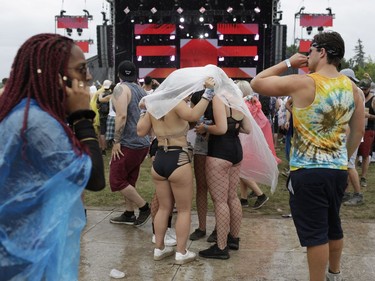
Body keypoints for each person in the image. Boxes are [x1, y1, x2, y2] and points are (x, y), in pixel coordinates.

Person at [251, 31, 364, 281]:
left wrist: (289, 63)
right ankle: (335, 274)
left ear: (322, 52)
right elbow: (359, 131)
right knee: (333, 225)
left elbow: (257, 82)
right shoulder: (354, 89)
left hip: (308, 172)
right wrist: (342, 158)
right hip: (337, 170)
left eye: (310, 51)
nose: (307, 55)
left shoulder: (305, 82)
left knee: (316, 235)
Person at [0, 33, 105, 280]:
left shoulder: (26, 113)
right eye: (81, 69)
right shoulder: (36, 123)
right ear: (54, 75)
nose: (89, 77)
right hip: (24, 260)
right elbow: (95, 178)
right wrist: (82, 116)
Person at [137, 76, 215, 264]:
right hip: (178, 157)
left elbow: (140, 131)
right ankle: (181, 252)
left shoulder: (154, 105)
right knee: (184, 209)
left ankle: (159, 248)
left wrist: (145, 109)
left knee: (164, 208)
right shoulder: (175, 102)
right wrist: (208, 92)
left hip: (160, 159)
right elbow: (193, 116)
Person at [197, 83, 251, 260]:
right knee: (232, 197)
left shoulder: (219, 98)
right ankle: (234, 238)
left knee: (220, 201)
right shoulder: (238, 100)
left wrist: (205, 128)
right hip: (236, 151)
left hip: (219, 152)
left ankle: (221, 247)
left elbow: (220, 128)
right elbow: (247, 129)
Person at [109, 60, 151, 226]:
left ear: (119, 74)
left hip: (128, 142)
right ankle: (128, 213)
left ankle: (144, 207)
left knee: (117, 179)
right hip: (142, 142)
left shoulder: (120, 88)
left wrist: (116, 141)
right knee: (129, 179)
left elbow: (121, 116)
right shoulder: (141, 90)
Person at [339, 69, 365, 206]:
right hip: (352, 132)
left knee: (349, 165)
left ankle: (358, 194)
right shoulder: (357, 90)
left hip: (351, 133)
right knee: (348, 164)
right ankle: (346, 192)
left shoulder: (352, 91)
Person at [356, 78, 374, 188]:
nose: (363, 91)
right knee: (355, 153)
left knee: (365, 154)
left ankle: (363, 177)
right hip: (357, 129)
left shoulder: (373, 99)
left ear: (369, 89)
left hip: (368, 130)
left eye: (365, 89)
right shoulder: (358, 96)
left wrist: (369, 116)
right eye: (361, 88)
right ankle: (352, 176)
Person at [97, 79, 113, 154]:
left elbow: (97, 106)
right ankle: (110, 146)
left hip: (102, 115)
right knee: (111, 132)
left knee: (102, 132)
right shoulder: (111, 94)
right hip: (110, 115)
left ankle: (103, 149)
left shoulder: (100, 94)